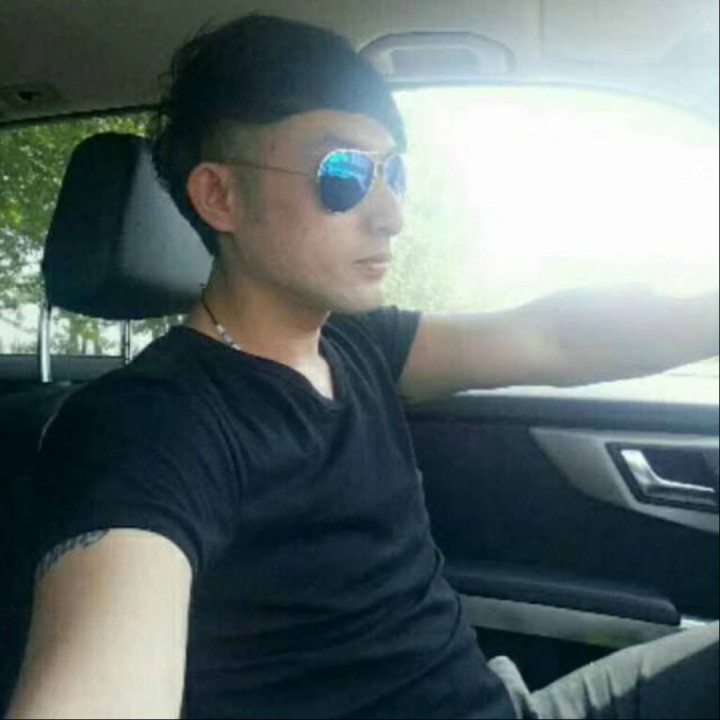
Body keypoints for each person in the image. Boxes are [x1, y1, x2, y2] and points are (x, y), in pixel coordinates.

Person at [6, 14, 719, 720]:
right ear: (220, 196)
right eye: (343, 175)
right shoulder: (149, 425)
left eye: (393, 173)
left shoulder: (358, 344)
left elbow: (554, 337)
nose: (390, 215)